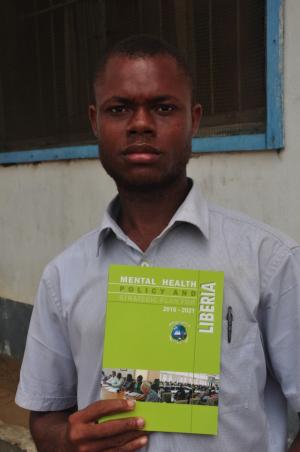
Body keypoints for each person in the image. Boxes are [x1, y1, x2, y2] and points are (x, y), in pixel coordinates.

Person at [15, 34, 300, 452]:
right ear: (95, 121)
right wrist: (66, 442)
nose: (141, 124)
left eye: (164, 108)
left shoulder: (269, 260)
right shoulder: (63, 275)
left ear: (194, 120)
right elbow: (46, 417)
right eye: (120, 108)